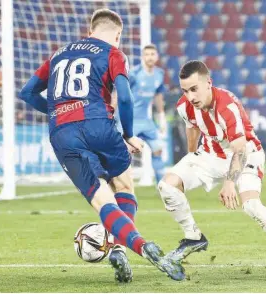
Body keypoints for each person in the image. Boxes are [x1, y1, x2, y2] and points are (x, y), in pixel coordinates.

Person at [18, 8, 185, 282]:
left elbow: (27, 92)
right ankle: (120, 246)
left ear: (90, 29)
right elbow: (127, 98)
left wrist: (56, 112)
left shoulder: (58, 54)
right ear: (117, 34)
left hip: (62, 133)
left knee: (101, 199)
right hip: (99, 123)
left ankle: (139, 246)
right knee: (124, 185)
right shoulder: (113, 53)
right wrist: (129, 134)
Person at [158, 60, 266, 269]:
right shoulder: (184, 106)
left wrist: (230, 184)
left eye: (194, 89)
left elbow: (239, 149)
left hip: (247, 153)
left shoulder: (227, 106)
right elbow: (191, 126)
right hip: (211, 154)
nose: (190, 97)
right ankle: (193, 237)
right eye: (185, 91)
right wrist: (191, 156)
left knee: (251, 206)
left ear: (208, 83)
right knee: (167, 185)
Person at [129, 44, 167, 184]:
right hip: (130, 121)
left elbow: (158, 95)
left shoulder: (159, 74)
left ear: (156, 57)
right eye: (147, 54)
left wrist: (161, 116)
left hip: (147, 121)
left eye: (152, 54)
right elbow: (120, 94)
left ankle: (162, 187)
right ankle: (118, 187)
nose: (150, 57)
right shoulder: (134, 73)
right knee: (124, 154)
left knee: (157, 150)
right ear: (142, 57)